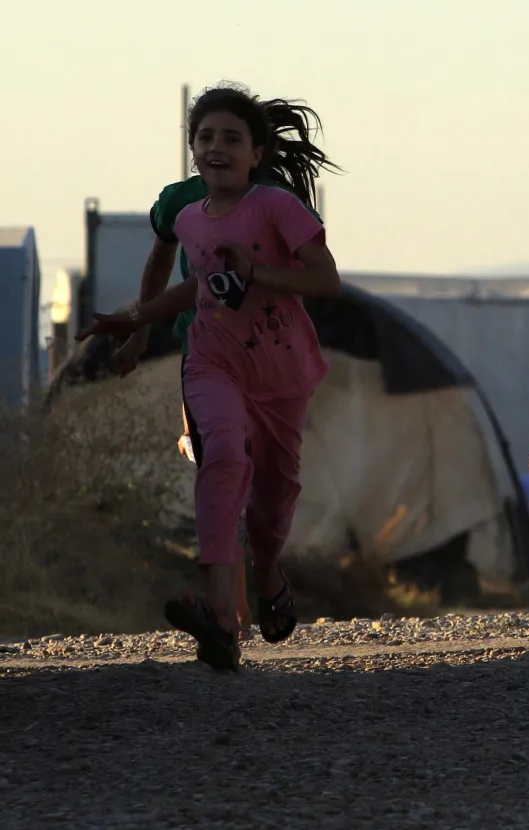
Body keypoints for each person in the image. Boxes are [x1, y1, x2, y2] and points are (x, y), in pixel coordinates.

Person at [76, 82, 342, 670]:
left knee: (272, 504)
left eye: (231, 138)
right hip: (211, 361)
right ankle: (223, 621)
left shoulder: (277, 206)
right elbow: (196, 284)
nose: (216, 147)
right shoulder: (188, 214)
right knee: (222, 455)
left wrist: (259, 272)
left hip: (281, 372)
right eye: (205, 137)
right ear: (191, 147)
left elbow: (327, 282)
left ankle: (267, 572)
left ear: (256, 153)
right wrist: (134, 322)